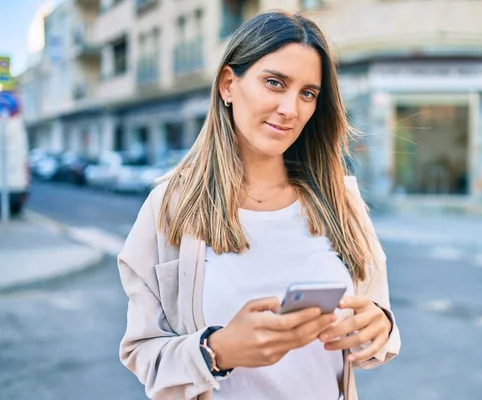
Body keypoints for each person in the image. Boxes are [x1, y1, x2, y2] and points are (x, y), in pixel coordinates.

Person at [117, 10, 400, 400]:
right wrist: (217, 351)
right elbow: (141, 351)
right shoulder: (169, 207)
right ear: (228, 85)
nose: (290, 109)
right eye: (274, 83)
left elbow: (376, 328)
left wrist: (378, 327)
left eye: (307, 93)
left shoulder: (340, 199)